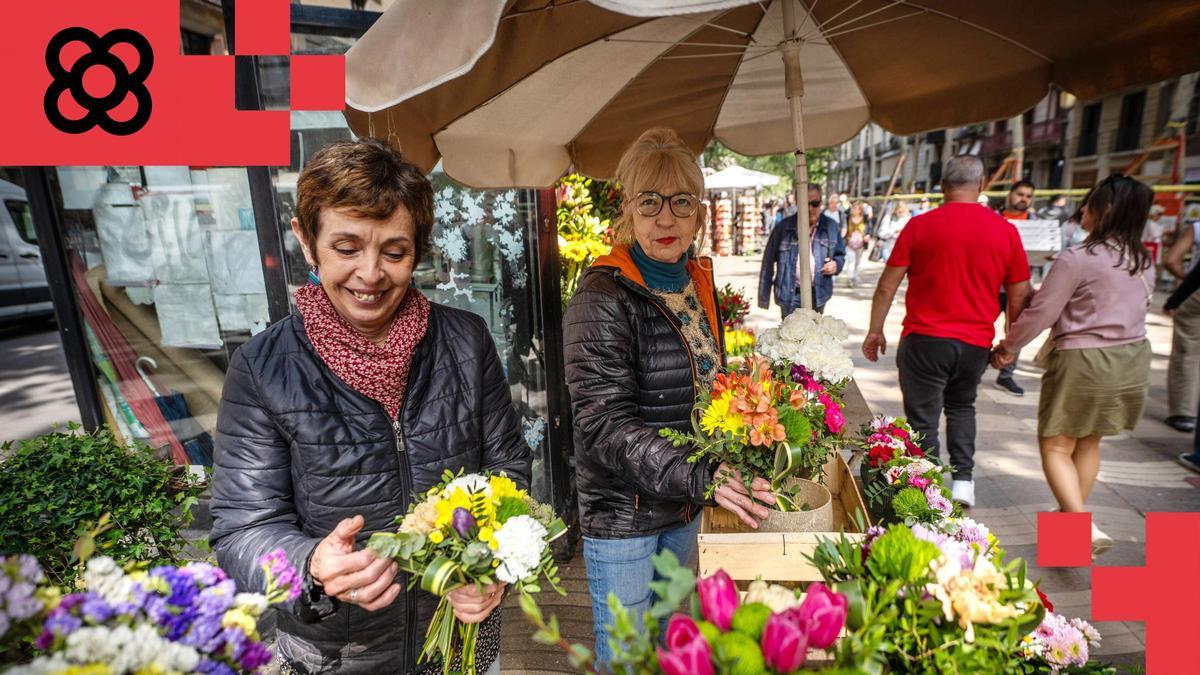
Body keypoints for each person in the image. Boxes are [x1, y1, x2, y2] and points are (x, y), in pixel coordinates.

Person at [209, 139, 531, 674]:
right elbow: (243, 528)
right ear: (306, 243)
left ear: (418, 250)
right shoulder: (262, 368)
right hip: (336, 654)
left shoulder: (467, 341)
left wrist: (491, 566)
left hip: (458, 640)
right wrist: (310, 565)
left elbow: (508, 470)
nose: (371, 273)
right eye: (347, 247)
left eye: (395, 251)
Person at [563, 128, 773, 668]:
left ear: (699, 215)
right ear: (627, 211)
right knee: (631, 657)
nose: (665, 218)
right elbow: (603, 425)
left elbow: (704, 387)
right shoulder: (603, 295)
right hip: (626, 517)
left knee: (672, 650)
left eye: (681, 202)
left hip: (683, 507)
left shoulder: (695, 282)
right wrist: (705, 477)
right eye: (649, 201)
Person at [993, 175, 1156, 557]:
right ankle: (1068, 539)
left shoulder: (1078, 258)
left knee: (1054, 445)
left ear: (1106, 210)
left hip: (1085, 361)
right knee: (1088, 440)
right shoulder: (1144, 260)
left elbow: (1043, 313)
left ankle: (1081, 523)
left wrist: (1009, 347)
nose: (1083, 209)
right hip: (1131, 362)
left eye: (1090, 202)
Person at [861, 155, 1031, 508]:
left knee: (922, 417)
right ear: (982, 184)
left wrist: (875, 330)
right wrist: (1010, 343)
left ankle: (929, 488)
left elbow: (886, 287)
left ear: (941, 187)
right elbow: (1019, 294)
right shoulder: (1006, 231)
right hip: (974, 344)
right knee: (962, 407)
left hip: (924, 340)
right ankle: (964, 483)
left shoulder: (919, 226)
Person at [758, 184, 846, 316]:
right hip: (789, 294)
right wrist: (763, 298)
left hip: (818, 294)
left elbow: (840, 255)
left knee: (816, 335)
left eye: (815, 203)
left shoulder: (831, 226)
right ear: (797, 204)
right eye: (805, 204)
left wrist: (836, 265)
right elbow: (767, 263)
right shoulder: (783, 228)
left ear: (821, 203)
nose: (810, 209)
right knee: (790, 336)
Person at [994, 179, 1037, 397]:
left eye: (1029, 196)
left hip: (1020, 287)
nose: (1024, 199)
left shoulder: (1036, 223)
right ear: (1010, 194)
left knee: (1016, 330)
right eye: (1020, 194)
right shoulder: (993, 219)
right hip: (992, 286)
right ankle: (976, 368)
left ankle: (1006, 374)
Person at [1162, 218, 1200, 432]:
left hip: (1196, 295)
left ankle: (1184, 412)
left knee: (1189, 348)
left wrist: (1176, 299)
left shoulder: (1196, 227)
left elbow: (1171, 261)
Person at [843, 200, 870, 288]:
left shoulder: (865, 218)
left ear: (860, 210)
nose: (854, 210)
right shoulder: (847, 217)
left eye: (856, 208)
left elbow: (870, 228)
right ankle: (850, 279)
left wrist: (867, 235)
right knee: (851, 261)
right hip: (849, 244)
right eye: (853, 208)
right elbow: (844, 227)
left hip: (860, 244)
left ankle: (855, 278)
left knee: (858, 263)